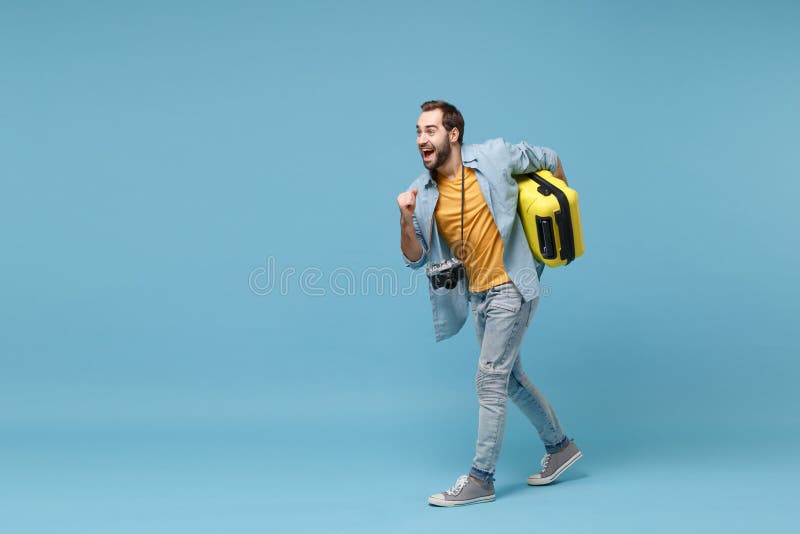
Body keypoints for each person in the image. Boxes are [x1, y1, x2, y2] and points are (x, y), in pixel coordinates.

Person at [397, 100, 582, 507]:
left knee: (489, 380)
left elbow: (548, 159)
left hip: (512, 288)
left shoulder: (495, 156)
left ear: (453, 134)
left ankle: (481, 478)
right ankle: (561, 448)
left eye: (429, 130)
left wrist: (562, 206)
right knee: (510, 379)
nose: (421, 139)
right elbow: (414, 258)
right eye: (417, 132)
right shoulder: (423, 193)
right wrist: (404, 216)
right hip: (477, 296)